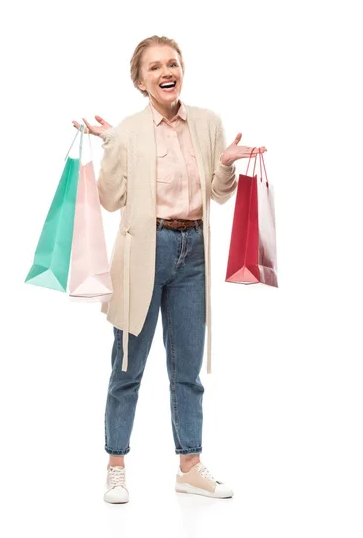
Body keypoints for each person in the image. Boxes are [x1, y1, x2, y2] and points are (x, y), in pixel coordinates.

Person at [72, 35, 266, 504]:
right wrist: (111, 145)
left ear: (182, 70)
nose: (167, 71)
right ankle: (116, 465)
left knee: (187, 371)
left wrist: (223, 164)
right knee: (127, 367)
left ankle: (190, 466)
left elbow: (219, 195)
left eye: (173, 63)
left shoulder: (206, 123)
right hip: (144, 251)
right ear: (141, 81)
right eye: (155, 66)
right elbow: (111, 199)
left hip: (193, 250)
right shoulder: (129, 130)